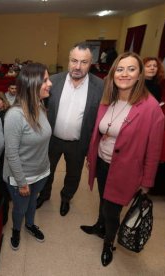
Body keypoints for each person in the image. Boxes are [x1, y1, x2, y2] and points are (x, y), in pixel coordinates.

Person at [81, 52, 165, 267]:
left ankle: (108, 242)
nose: (124, 74)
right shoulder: (108, 99)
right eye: (120, 69)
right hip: (102, 162)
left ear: (139, 75)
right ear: (113, 73)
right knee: (103, 199)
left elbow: (153, 150)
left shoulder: (151, 108)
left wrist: (147, 182)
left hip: (125, 169)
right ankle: (100, 226)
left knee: (112, 209)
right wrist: (93, 156)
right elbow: (99, 131)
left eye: (131, 69)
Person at [37, 41, 104, 216]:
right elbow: (39, 106)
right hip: (52, 139)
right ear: (68, 60)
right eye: (74, 61)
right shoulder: (54, 81)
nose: (78, 66)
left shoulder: (100, 86)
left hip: (78, 143)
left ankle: (66, 198)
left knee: (73, 175)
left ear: (91, 63)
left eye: (84, 62)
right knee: (46, 170)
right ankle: (44, 195)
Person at [3, 63, 52, 250]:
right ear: (33, 84)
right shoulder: (14, 116)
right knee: (20, 208)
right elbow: (11, 153)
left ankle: (30, 225)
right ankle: (16, 229)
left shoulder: (40, 105)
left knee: (32, 203)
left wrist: (45, 169)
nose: (50, 84)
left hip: (41, 172)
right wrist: (22, 182)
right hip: (21, 177)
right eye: (45, 80)